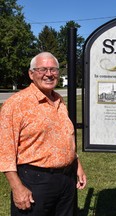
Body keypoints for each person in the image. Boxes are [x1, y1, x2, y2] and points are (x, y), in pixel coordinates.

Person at [0, 52, 87, 215]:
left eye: (53, 69)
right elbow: (5, 151)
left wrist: (77, 166)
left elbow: (65, 136)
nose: (49, 74)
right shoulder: (16, 104)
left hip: (66, 179)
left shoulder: (59, 100)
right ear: (31, 74)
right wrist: (17, 187)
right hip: (35, 181)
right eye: (42, 69)